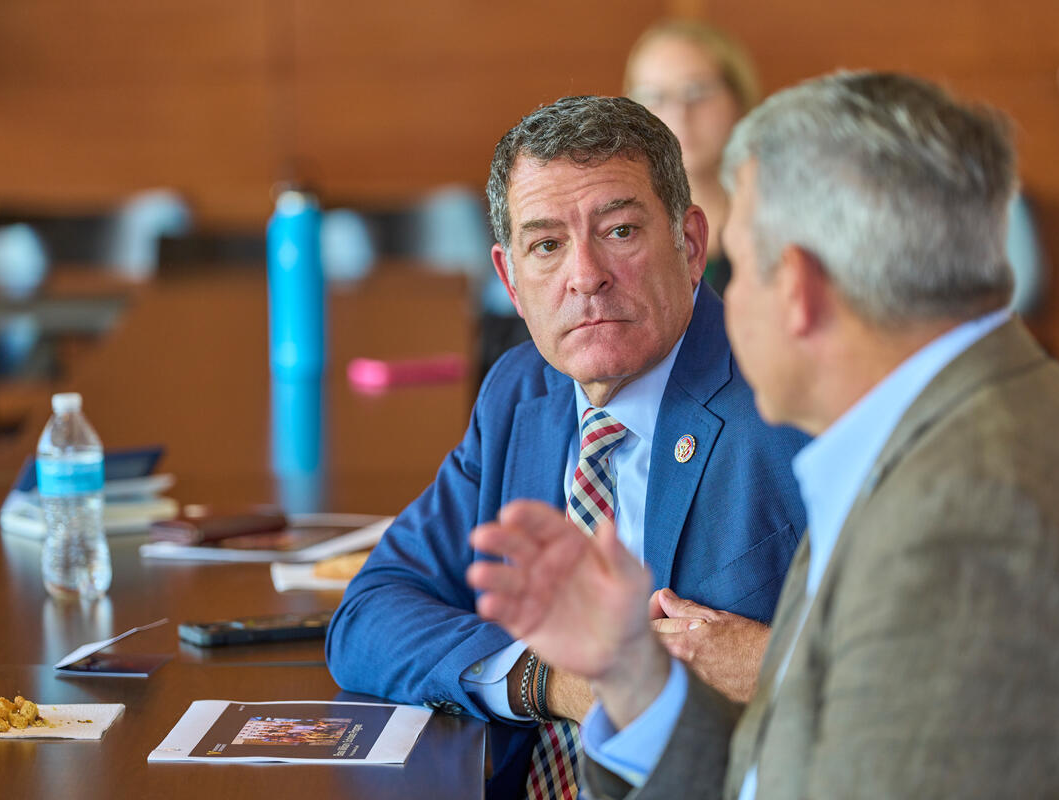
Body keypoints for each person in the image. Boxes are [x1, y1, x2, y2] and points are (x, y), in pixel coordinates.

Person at [468, 71, 1059, 798]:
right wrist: (636, 678)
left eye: (739, 265)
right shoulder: (928, 440)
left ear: (799, 287)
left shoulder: (970, 515)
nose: (720, 304)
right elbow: (791, 772)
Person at [327, 95, 809, 799]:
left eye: (618, 231)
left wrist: (772, 659)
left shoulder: (786, 395)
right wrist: (550, 681)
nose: (585, 274)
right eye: (547, 245)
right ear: (511, 281)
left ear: (692, 243)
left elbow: (915, 663)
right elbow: (369, 614)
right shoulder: (520, 394)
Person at [624, 19, 759, 296]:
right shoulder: (618, 225)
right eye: (654, 96)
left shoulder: (783, 220)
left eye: (696, 91)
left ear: (739, 98)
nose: (679, 114)